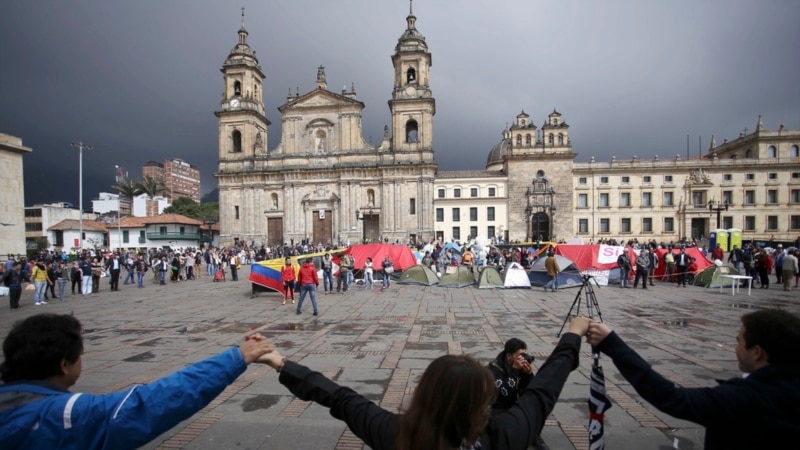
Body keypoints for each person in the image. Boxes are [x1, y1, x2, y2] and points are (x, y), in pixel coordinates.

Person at [259, 316, 591, 450]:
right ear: (483, 402)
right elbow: (545, 386)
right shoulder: (507, 433)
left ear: (424, 393)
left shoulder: (396, 434)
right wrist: (573, 335)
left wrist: (280, 362)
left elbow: (339, 397)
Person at [0, 313, 275, 449]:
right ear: (64, 364)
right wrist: (237, 357)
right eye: (81, 355)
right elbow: (150, 404)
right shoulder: (61, 416)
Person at [586, 309, 800, 449]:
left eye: (739, 341)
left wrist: (612, 343)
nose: (734, 348)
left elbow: (670, 397)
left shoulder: (745, 399)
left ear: (757, 352)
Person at [488, 338, 550, 450]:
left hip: (517, 401)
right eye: (519, 355)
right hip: (499, 406)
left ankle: (535, 436)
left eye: (524, 355)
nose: (522, 359)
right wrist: (515, 370)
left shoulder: (520, 365)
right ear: (509, 356)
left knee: (537, 406)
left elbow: (532, 390)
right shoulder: (494, 369)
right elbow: (505, 392)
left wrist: (529, 375)